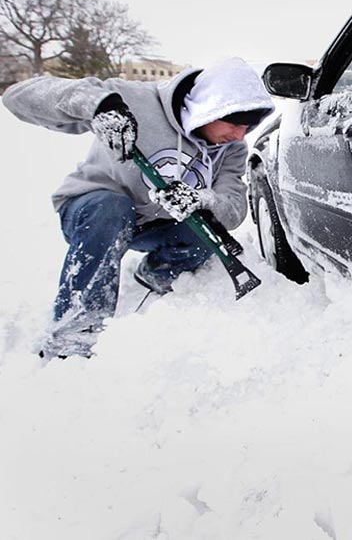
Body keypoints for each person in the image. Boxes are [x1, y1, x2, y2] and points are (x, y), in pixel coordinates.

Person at [2, 57, 275, 358]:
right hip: (95, 212)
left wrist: (202, 199)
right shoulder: (133, 101)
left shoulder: (232, 149)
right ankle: (77, 328)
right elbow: (18, 97)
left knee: (205, 229)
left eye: (247, 127)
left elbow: (233, 207)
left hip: (154, 225)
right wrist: (97, 105)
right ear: (209, 107)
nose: (239, 135)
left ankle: (158, 272)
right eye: (234, 123)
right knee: (112, 206)